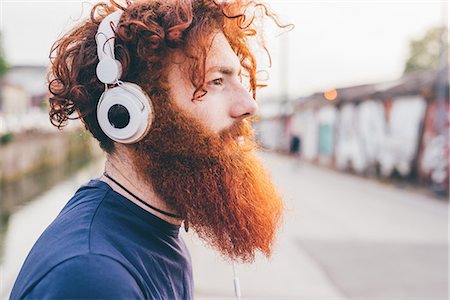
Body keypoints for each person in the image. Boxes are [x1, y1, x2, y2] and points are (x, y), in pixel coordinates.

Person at [11, 0, 285, 298]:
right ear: (129, 113)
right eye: (216, 81)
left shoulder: (156, 228)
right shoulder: (92, 277)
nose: (249, 105)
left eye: (237, 80)